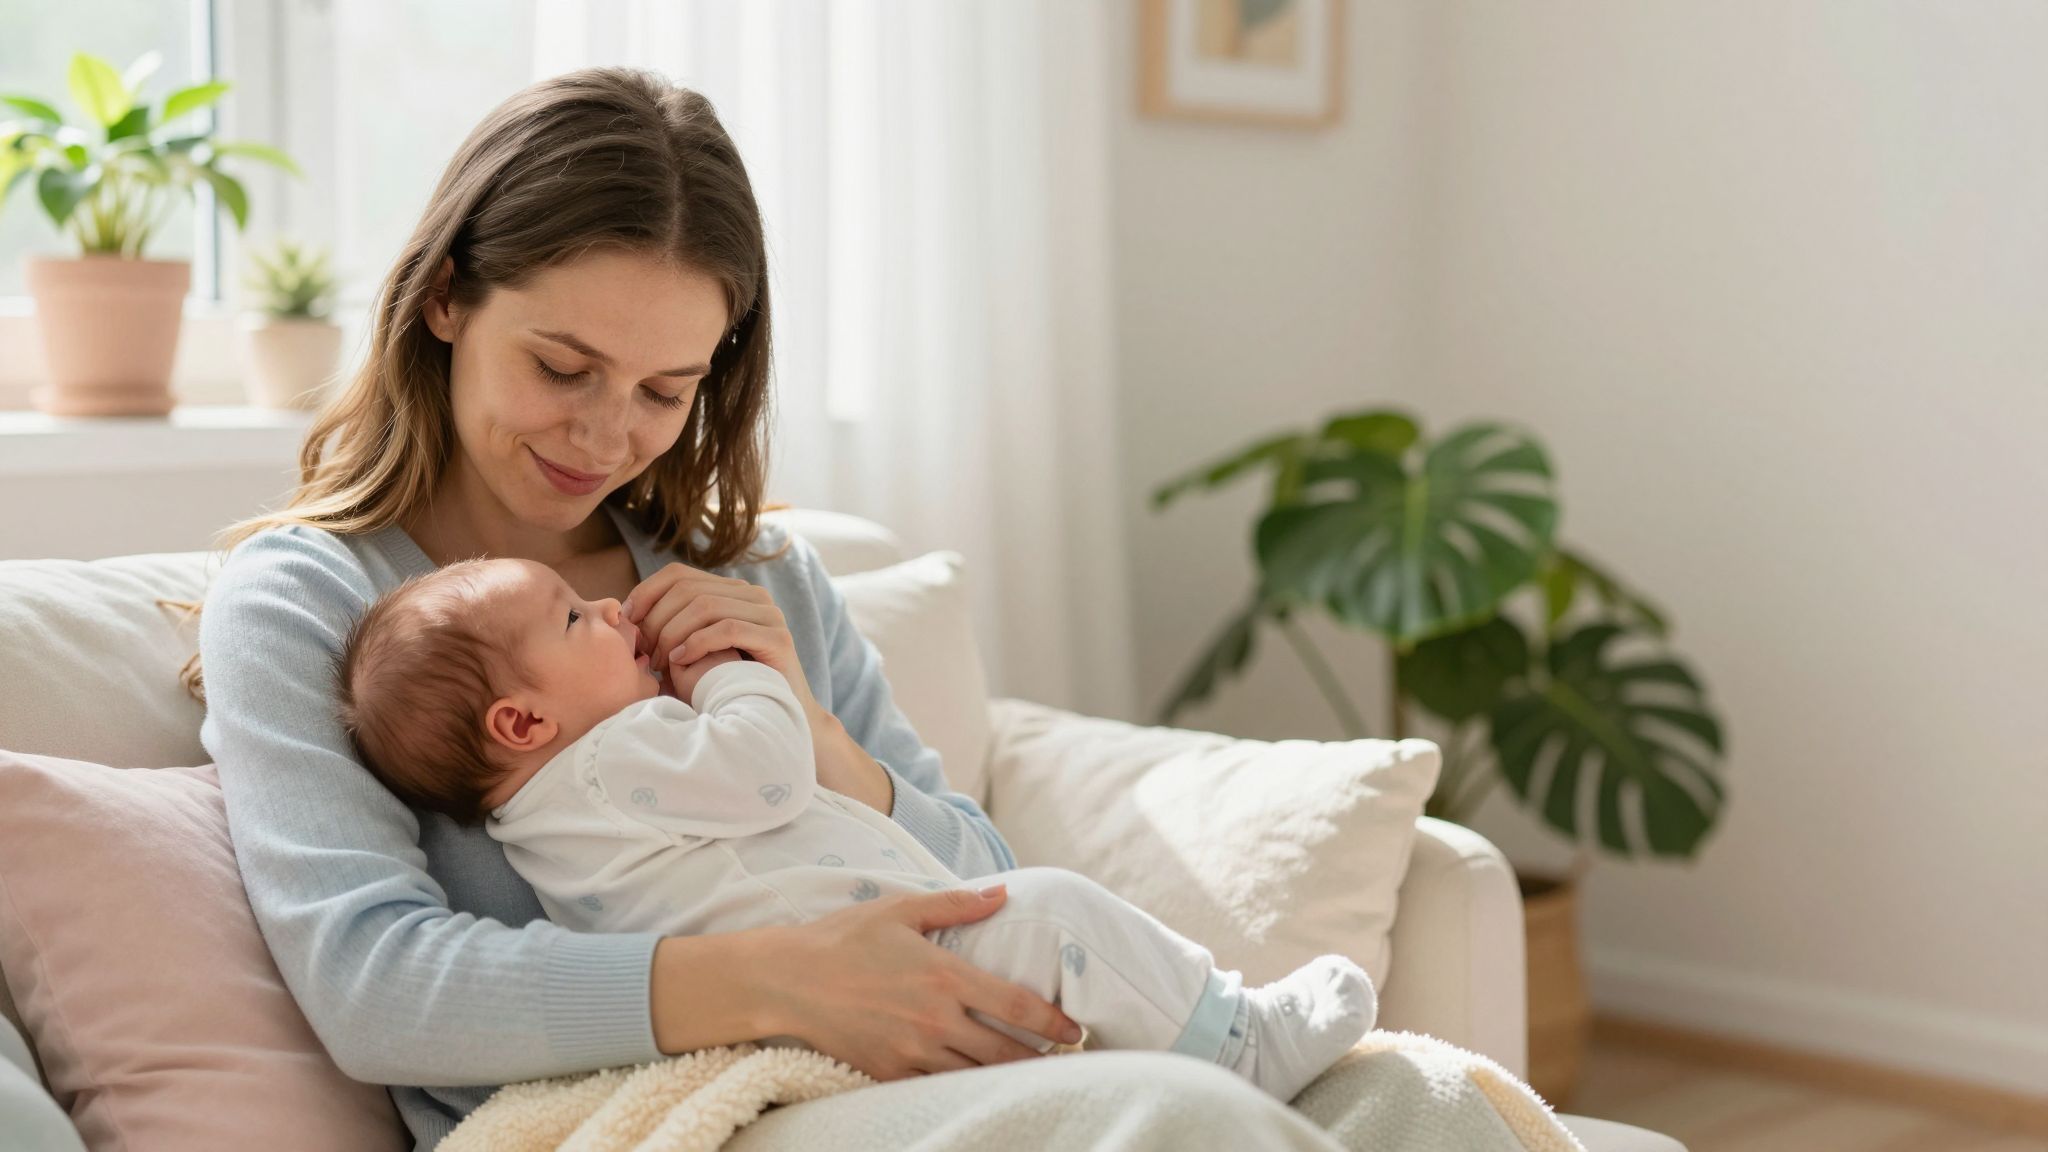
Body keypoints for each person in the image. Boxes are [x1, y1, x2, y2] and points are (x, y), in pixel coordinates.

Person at [189, 66, 1381, 1151]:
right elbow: (375, 984)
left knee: (1397, 1103)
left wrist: (822, 745)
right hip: (654, 1113)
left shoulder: (758, 582)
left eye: (666, 390)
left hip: (929, 1067)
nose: (606, 435)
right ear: (446, 299)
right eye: (562, 369)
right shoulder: (311, 601)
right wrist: (782, 979)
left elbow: (981, 880)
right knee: (1177, 1118)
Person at [333, 556, 1376, 1104]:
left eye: (665, 385)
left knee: (1042, 924)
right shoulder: (614, 757)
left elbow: (957, 850)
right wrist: (738, 678)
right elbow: (763, 773)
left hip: (858, 981)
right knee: (1052, 912)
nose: (611, 611)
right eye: (573, 620)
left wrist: (825, 725)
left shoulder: (553, 806)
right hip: (871, 969)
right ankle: (1236, 1042)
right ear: (521, 722)